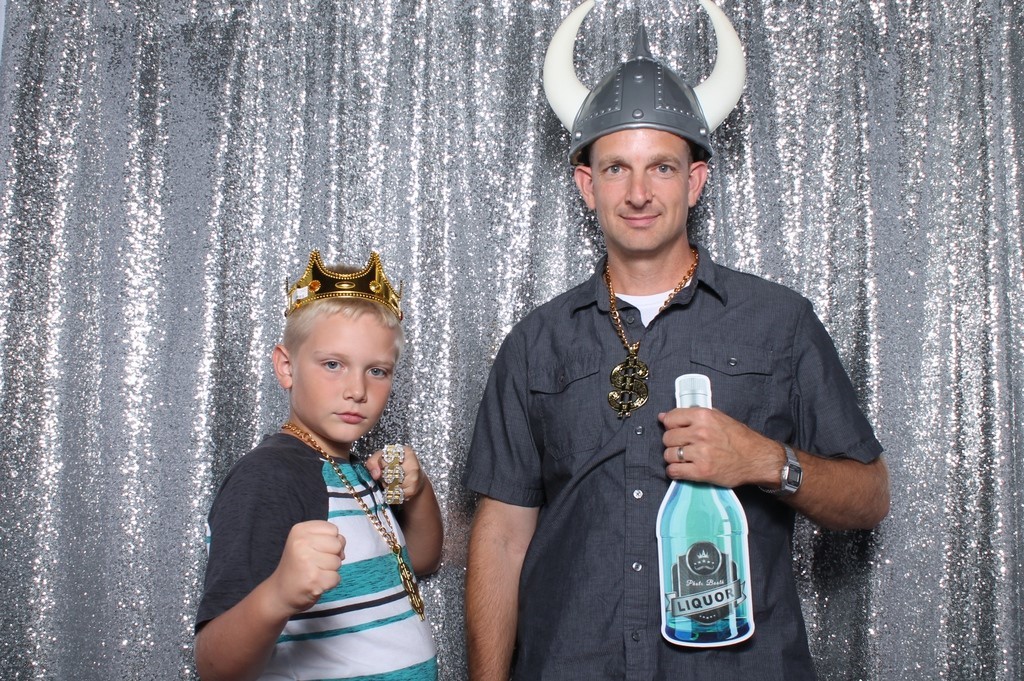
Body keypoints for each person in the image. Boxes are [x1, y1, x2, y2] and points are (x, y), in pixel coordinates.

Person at [463, 1, 890, 679]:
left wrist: (764, 459)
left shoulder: (780, 322)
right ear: (586, 185)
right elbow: (503, 537)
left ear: (695, 181)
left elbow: (869, 497)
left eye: (661, 167)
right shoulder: (535, 344)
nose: (638, 192)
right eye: (615, 168)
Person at [195, 250, 442, 681]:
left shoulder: (357, 470)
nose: (357, 390)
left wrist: (419, 494)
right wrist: (278, 594)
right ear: (286, 367)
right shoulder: (270, 478)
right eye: (333, 364)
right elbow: (214, 667)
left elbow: (419, 562)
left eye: (377, 371)